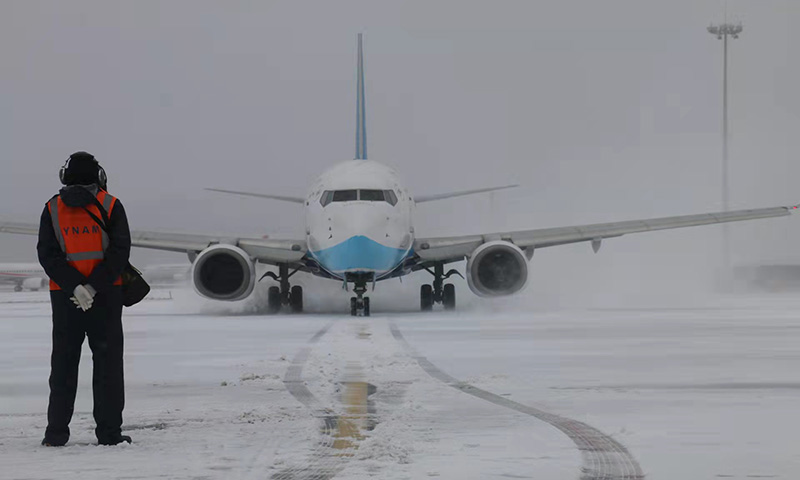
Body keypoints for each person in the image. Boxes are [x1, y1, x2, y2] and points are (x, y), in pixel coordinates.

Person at [37, 151, 132, 446]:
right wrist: (93, 287)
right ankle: (109, 433)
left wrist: (74, 286)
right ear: (99, 176)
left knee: (63, 365)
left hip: (65, 298)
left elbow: (47, 255)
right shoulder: (111, 205)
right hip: (106, 296)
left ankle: (56, 433)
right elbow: (119, 252)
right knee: (108, 366)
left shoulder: (52, 208)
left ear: (65, 176)